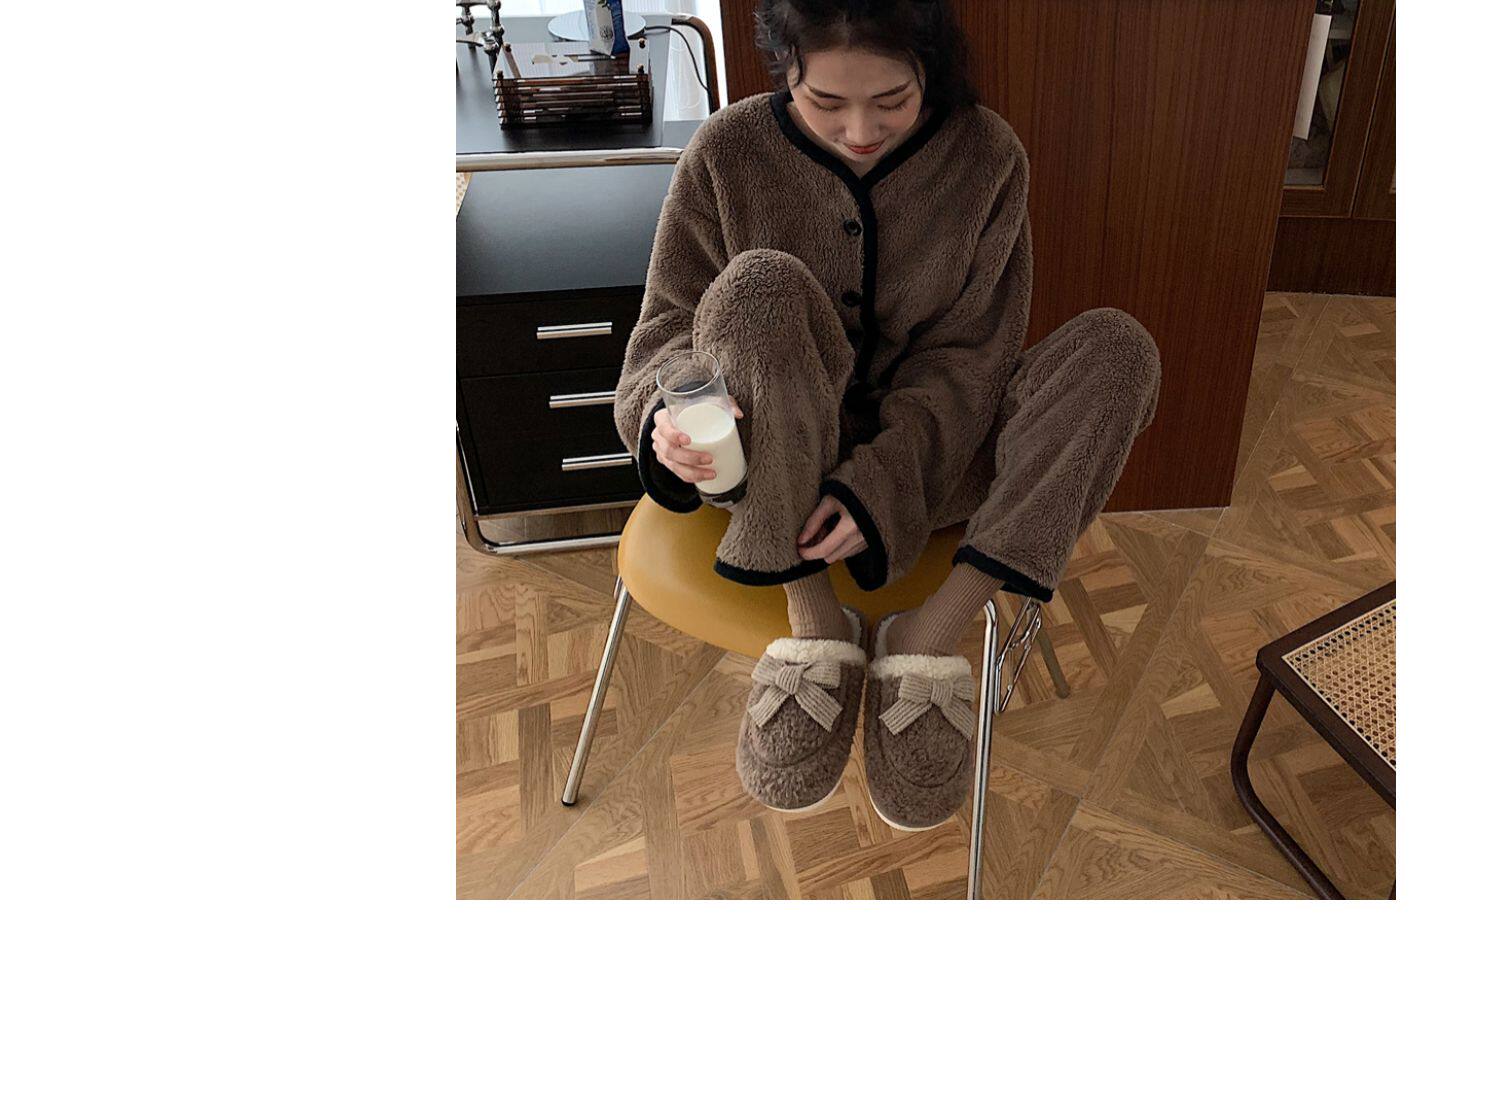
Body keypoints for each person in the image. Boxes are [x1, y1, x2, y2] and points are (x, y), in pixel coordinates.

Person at [612, 0, 1161, 830]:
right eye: (825, 103)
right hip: (767, 451)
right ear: (786, 69)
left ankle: (927, 638)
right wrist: (669, 419)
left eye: (892, 101)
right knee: (757, 286)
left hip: (939, 455)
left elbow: (970, 360)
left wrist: (881, 488)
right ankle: (814, 625)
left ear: (929, 71)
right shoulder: (726, 152)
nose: (860, 131)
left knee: (1118, 351)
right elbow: (665, 331)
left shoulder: (986, 157)